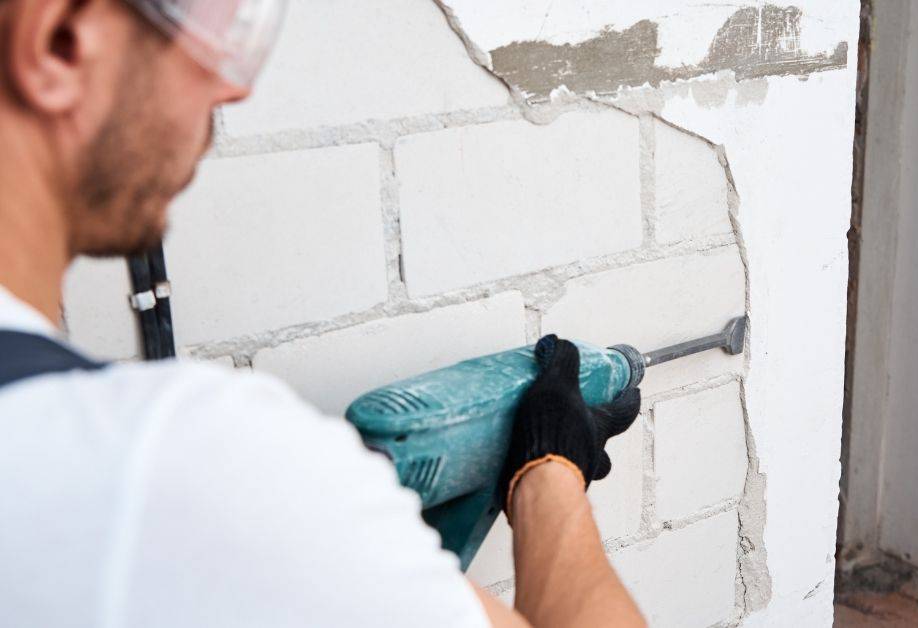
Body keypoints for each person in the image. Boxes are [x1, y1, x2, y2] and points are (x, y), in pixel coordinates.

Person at [0, 1, 646, 626]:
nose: (232, 89)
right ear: (59, 40)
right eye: (208, 25)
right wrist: (548, 468)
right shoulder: (180, 464)